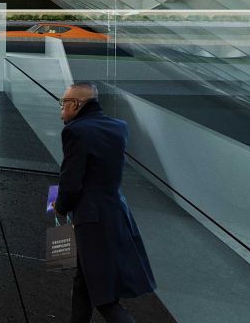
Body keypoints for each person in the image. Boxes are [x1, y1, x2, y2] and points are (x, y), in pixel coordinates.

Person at [52, 83, 156, 323]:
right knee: (84, 282)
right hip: (116, 213)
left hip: (91, 222)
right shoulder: (119, 127)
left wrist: (60, 206)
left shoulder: (75, 132)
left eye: (63, 103)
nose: (61, 110)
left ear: (76, 104)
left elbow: (71, 182)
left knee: (105, 300)